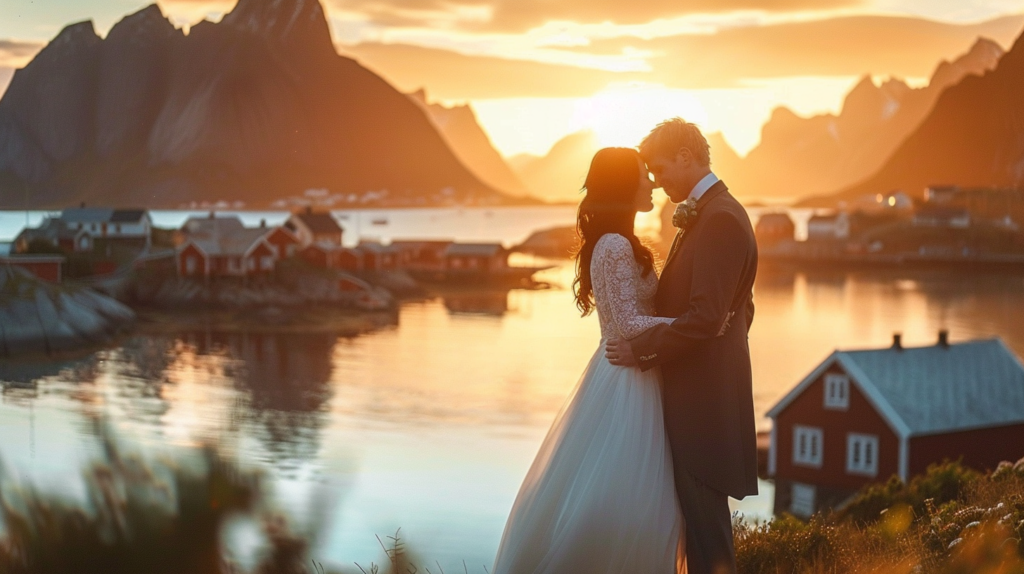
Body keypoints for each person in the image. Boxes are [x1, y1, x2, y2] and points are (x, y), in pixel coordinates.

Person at [491, 147, 685, 573]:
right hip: (626, 380)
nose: (651, 183)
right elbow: (629, 323)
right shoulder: (614, 244)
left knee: (639, 500)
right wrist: (697, 322)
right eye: (642, 176)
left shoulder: (620, 242)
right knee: (627, 500)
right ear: (622, 185)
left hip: (636, 371)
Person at [605, 118, 759, 574]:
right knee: (699, 532)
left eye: (659, 167)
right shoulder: (714, 213)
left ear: (686, 158)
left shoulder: (720, 220)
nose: (655, 179)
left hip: (703, 406)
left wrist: (643, 350)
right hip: (703, 394)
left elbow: (709, 318)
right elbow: (741, 310)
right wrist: (723, 341)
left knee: (708, 538)